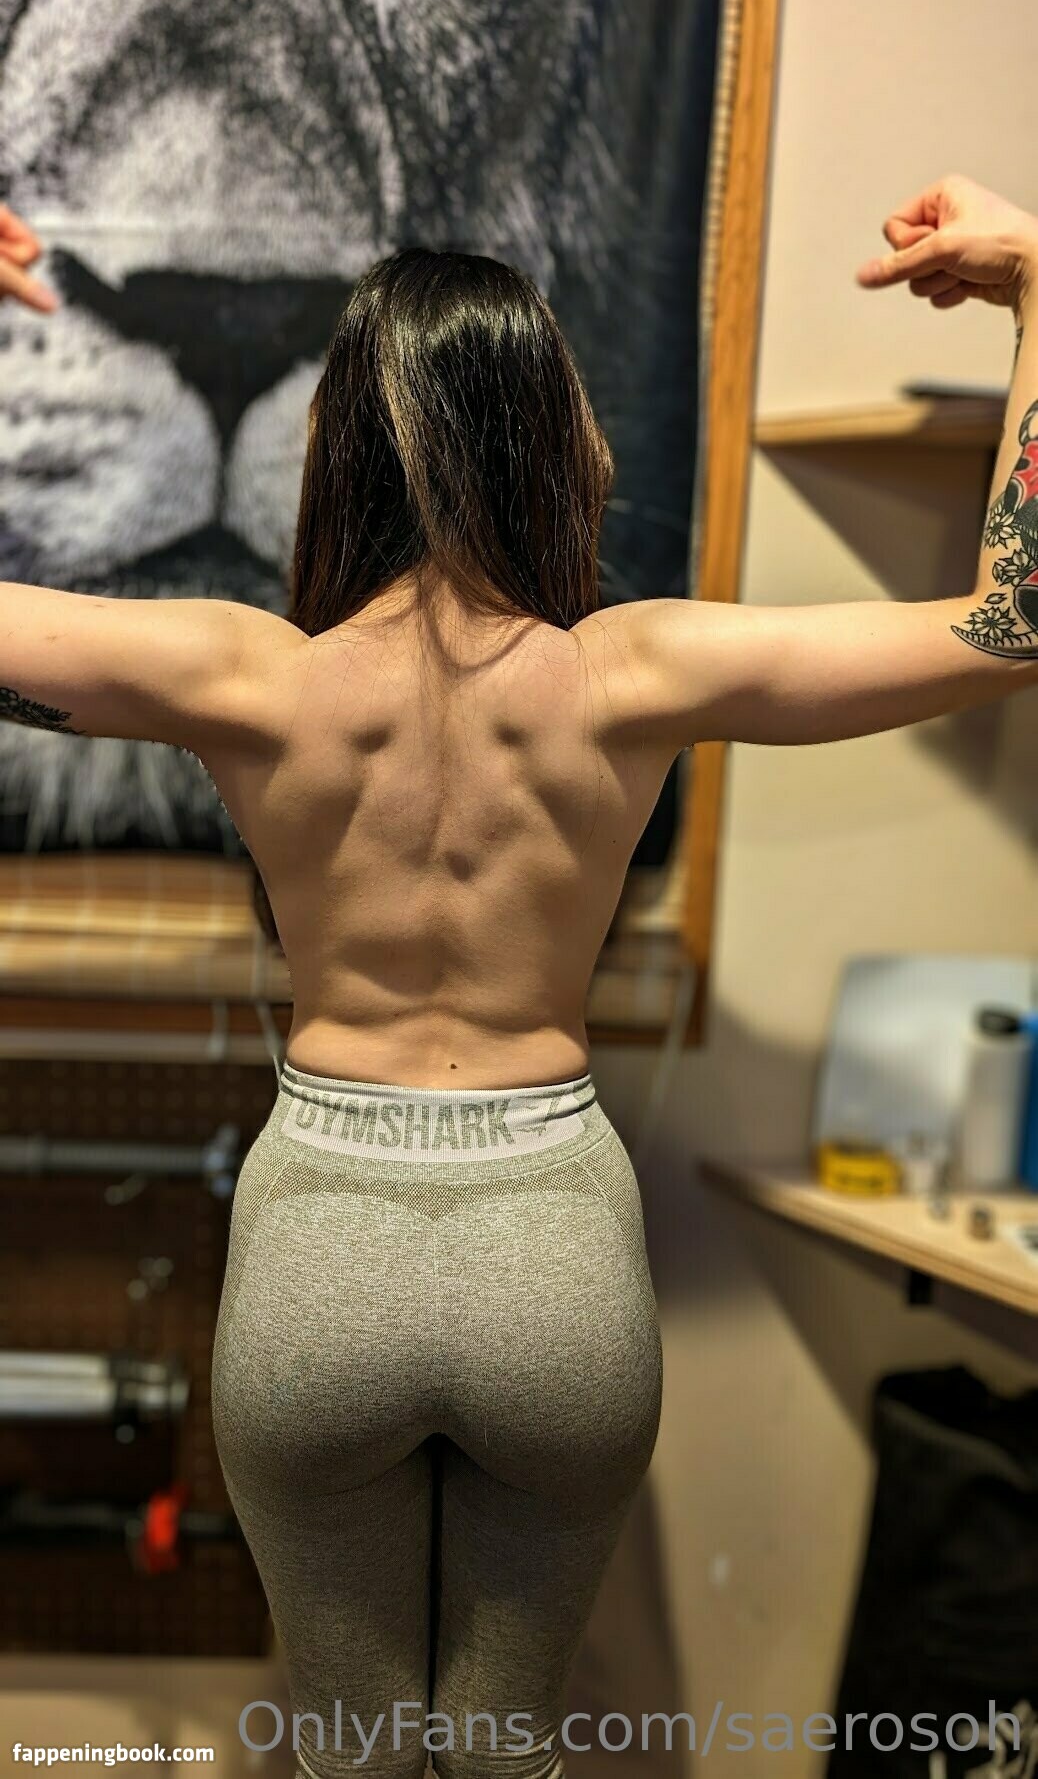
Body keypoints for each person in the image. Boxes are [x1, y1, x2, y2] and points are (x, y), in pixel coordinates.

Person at [1, 174, 1036, 1779]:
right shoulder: (632, 673)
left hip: (322, 1254)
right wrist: (1036, 275)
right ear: (550, 438)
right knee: (505, 1758)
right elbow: (1013, 623)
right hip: (550, 1255)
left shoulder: (248, 678)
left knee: (349, 1755)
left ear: (340, 444)